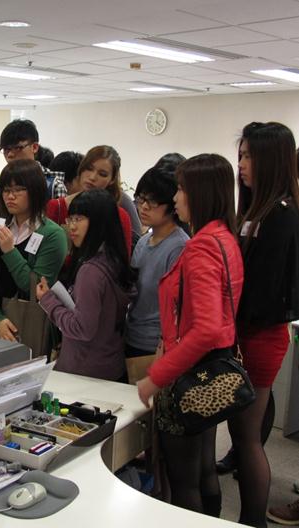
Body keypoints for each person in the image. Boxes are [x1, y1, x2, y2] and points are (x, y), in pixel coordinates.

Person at [137, 154, 243, 518]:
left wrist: (157, 377)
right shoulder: (224, 237)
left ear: (197, 192)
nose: (177, 196)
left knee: (185, 482)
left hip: (191, 373)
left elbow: (206, 328)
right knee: (203, 470)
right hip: (216, 366)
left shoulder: (199, 247)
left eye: (181, 188)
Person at [226, 122, 299, 528]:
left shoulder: (282, 215)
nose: (242, 165)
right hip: (246, 334)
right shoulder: (255, 211)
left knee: (248, 438)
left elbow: (264, 293)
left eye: (250, 156)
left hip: (260, 337)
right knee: (243, 434)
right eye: (241, 155)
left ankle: (253, 519)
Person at [36, 189, 136, 382]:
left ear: (99, 222)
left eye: (79, 219)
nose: (71, 227)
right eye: (70, 219)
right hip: (110, 364)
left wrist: (48, 301)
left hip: (85, 372)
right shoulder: (114, 259)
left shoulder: (91, 271)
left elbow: (82, 328)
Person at [0, 159, 67, 341]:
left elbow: (36, 290)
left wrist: (10, 251)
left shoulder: (52, 234)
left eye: (18, 189)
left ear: (35, 191)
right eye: (6, 190)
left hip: (31, 325)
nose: (10, 196)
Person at [125, 165, 189, 366]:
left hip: (156, 345)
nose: (143, 207)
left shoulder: (179, 246)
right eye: (141, 199)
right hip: (132, 335)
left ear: (172, 205)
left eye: (152, 202)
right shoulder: (144, 240)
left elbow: (178, 306)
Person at [45, 146, 134, 254]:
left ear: (112, 180)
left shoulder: (119, 215)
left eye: (102, 174)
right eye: (89, 168)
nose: (92, 177)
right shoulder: (56, 206)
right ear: (81, 168)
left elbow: (121, 261)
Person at [0, 120, 66, 217]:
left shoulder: (54, 186)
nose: (10, 154)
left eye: (18, 148)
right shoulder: (0, 188)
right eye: (6, 149)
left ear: (35, 147)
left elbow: (60, 229)